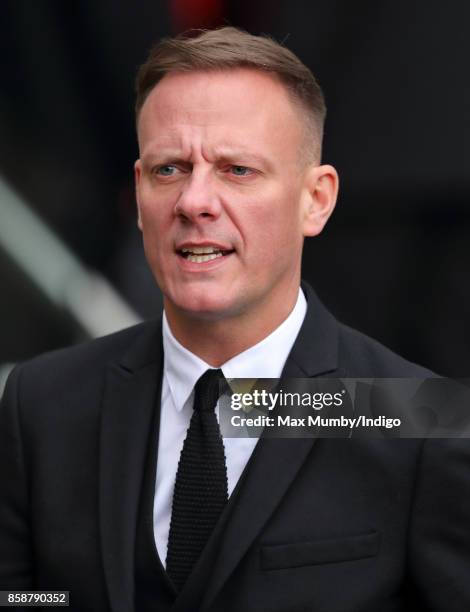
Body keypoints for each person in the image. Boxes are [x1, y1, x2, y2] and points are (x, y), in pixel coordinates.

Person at [1, 27, 469, 612]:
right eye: (169, 168)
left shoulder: (416, 416)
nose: (195, 201)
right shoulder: (42, 403)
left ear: (315, 199)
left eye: (237, 170)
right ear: (138, 192)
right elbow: (22, 597)